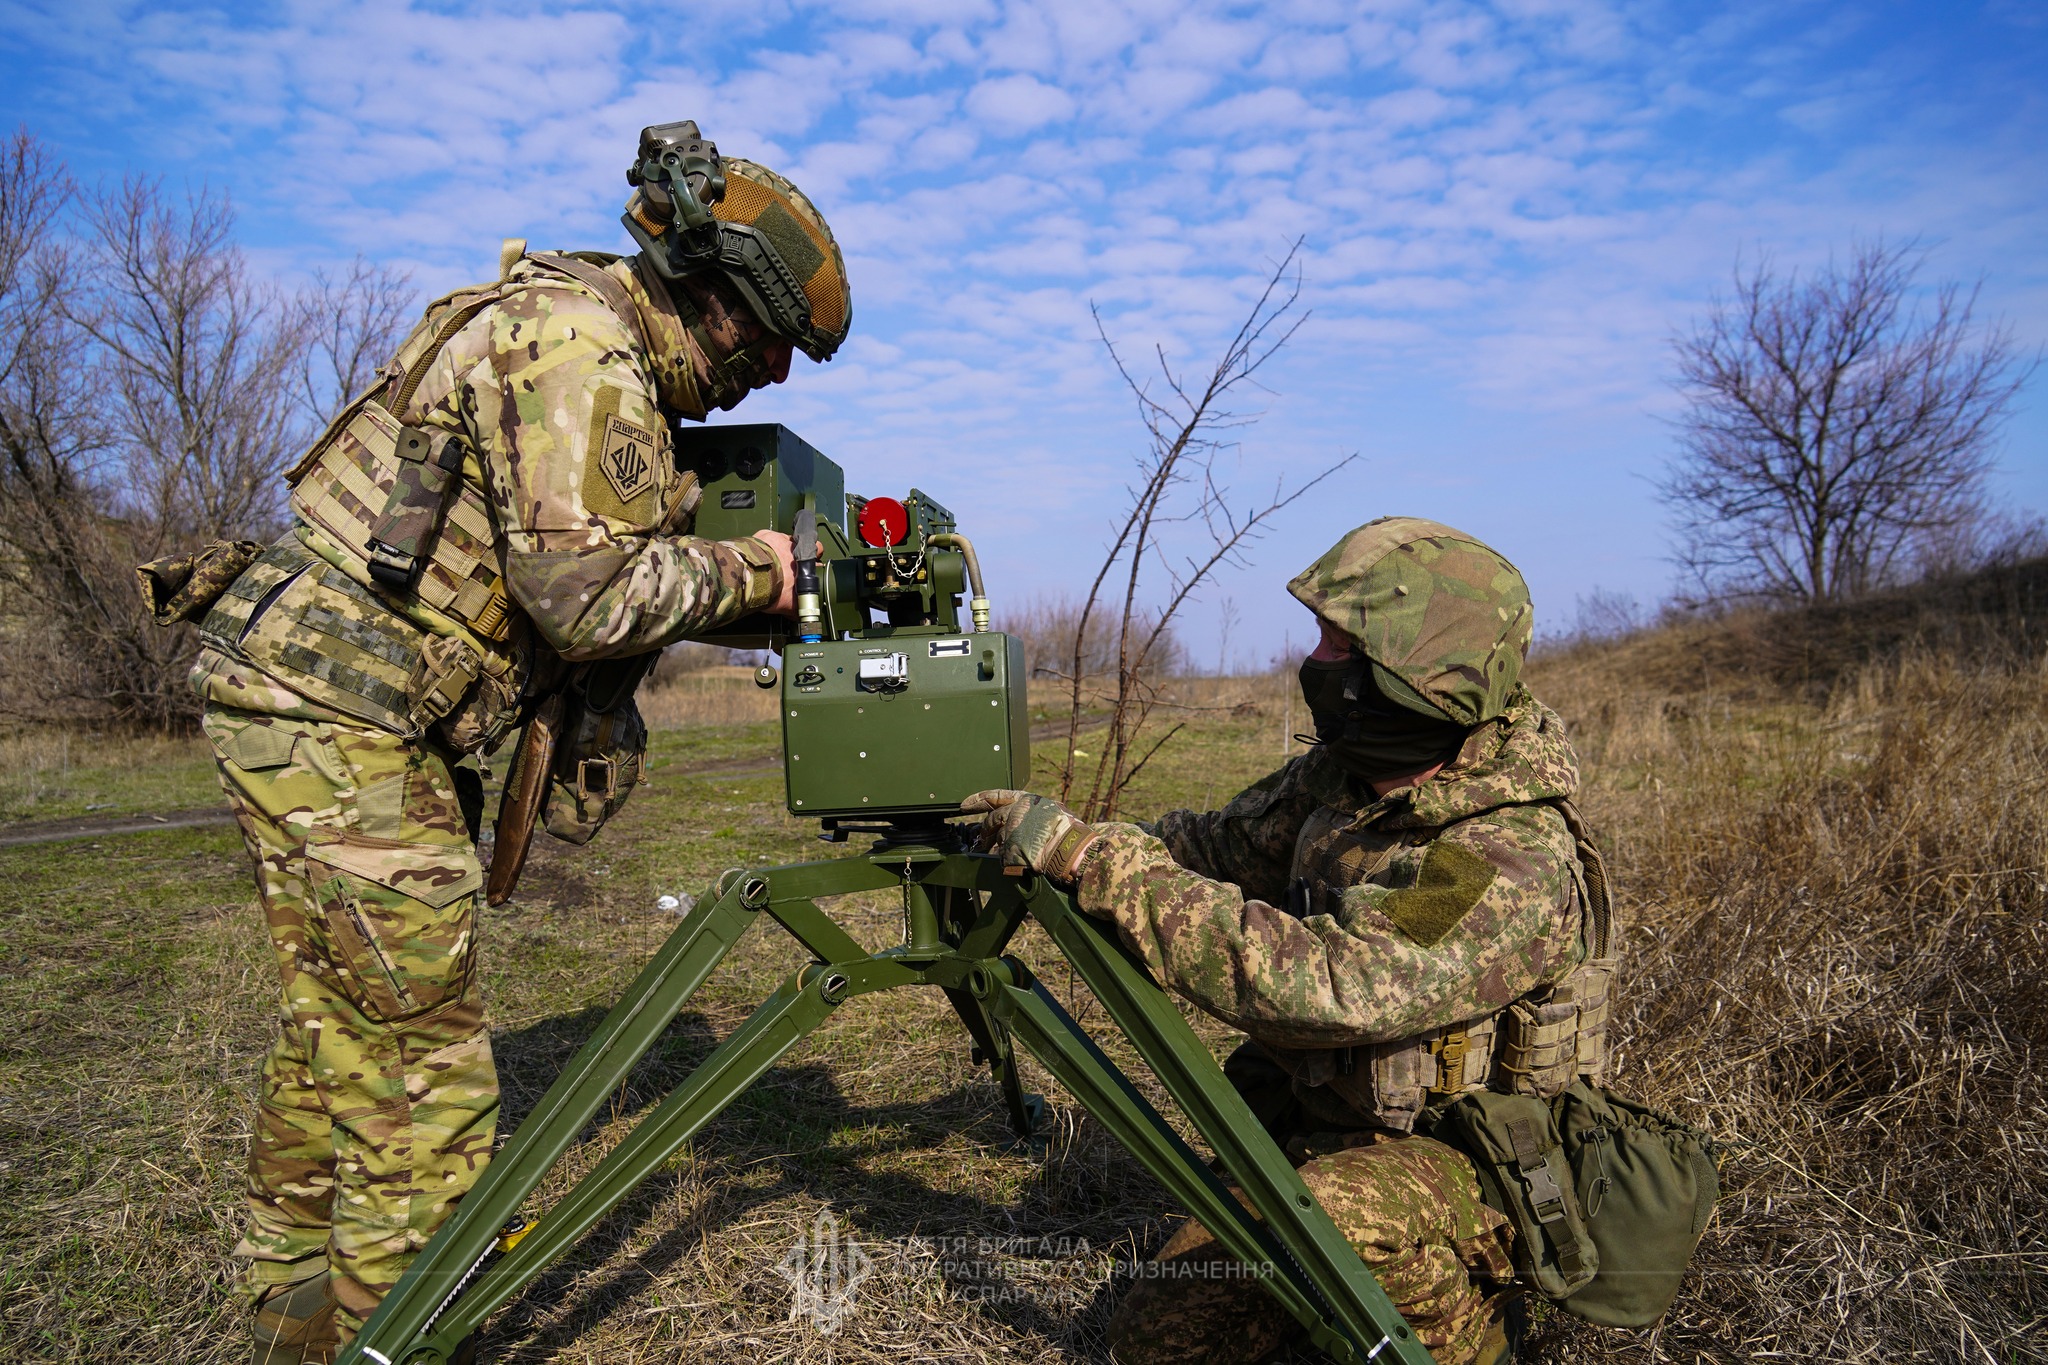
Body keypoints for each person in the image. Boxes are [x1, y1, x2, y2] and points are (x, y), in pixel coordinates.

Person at [184, 122, 850, 1362]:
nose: (771, 376)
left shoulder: (568, 326)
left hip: (315, 697)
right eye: (764, 346)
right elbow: (587, 598)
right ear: (707, 296)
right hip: (341, 714)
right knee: (420, 1076)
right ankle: (402, 1336)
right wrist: (755, 575)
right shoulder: (580, 351)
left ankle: (292, 1320)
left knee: (337, 1027)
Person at [965, 517, 1612, 1365]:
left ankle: (1477, 1327)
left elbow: (1332, 984)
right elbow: (1211, 848)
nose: (1315, 664)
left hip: (1470, 1166)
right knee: (1158, 1338)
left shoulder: (1506, 859)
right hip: (1324, 1130)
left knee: (1339, 1230)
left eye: (1337, 646)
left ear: (1414, 681)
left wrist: (1103, 865)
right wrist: (1072, 846)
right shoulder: (1347, 777)